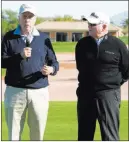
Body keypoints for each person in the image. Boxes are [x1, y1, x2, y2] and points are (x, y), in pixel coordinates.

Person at [1, 4, 59, 141]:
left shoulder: (43, 38)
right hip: (15, 92)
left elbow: (54, 63)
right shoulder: (8, 37)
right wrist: (19, 56)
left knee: (37, 134)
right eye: (24, 16)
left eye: (30, 17)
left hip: (39, 92)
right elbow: (2, 62)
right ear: (19, 18)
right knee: (14, 135)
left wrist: (51, 69)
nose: (27, 20)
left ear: (35, 19)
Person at [75, 12, 129, 141]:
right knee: (84, 135)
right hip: (85, 94)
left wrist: (111, 84)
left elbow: (126, 70)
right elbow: (80, 67)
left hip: (108, 94)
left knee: (110, 135)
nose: (89, 26)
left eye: (93, 24)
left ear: (104, 27)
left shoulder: (118, 45)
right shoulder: (82, 44)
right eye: (88, 23)